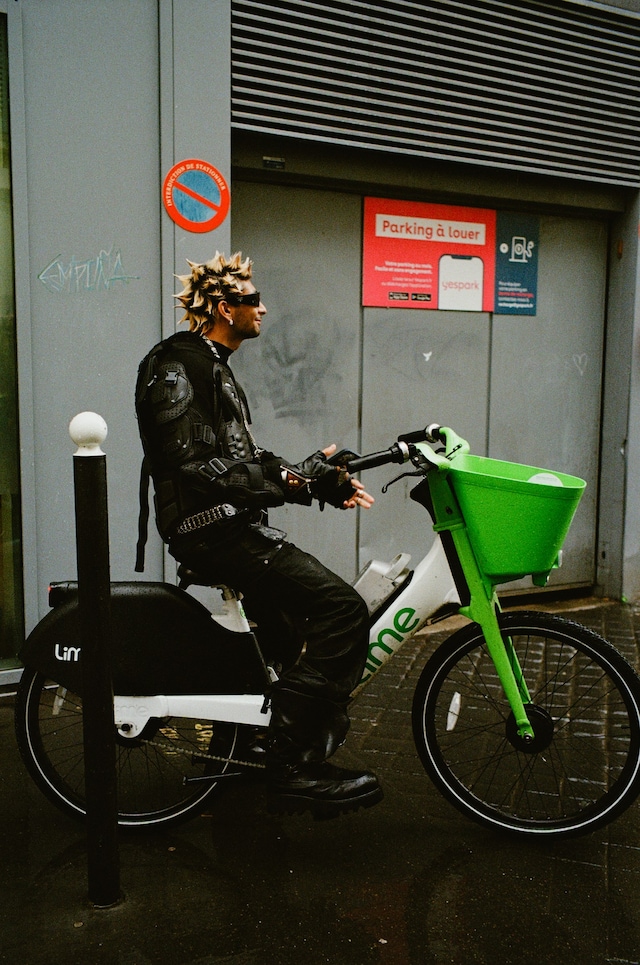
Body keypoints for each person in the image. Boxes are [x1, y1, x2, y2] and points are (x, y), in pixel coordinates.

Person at [135, 251, 382, 819]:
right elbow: (198, 467)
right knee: (342, 611)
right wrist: (298, 483)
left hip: (228, 525)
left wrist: (316, 478)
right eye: (253, 300)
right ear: (225, 309)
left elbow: (242, 457)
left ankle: (250, 742)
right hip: (211, 531)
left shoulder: (211, 363)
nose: (263, 308)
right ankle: (292, 766)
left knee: (287, 629)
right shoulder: (179, 365)